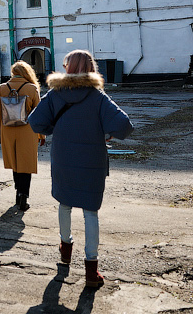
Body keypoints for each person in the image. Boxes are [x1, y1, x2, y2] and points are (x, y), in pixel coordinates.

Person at [27, 50, 132, 288]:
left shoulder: (55, 95)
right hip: (91, 162)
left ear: (68, 67)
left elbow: (35, 122)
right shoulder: (98, 97)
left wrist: (55, 127)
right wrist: (107, 134)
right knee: (90, 212)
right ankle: (91, 271)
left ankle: (65, 253)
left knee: (64, 203)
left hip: (63, 158)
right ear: (90, 67)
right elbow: (124, 125)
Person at [0, 61, 44, 211]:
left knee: (15, 163)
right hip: (27, 131)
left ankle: (17, 193)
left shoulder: (3, 88)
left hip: (8, 130)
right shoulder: (32, 88)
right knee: (26, 164)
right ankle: (24, 195)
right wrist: (41, 135)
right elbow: (39, 114)